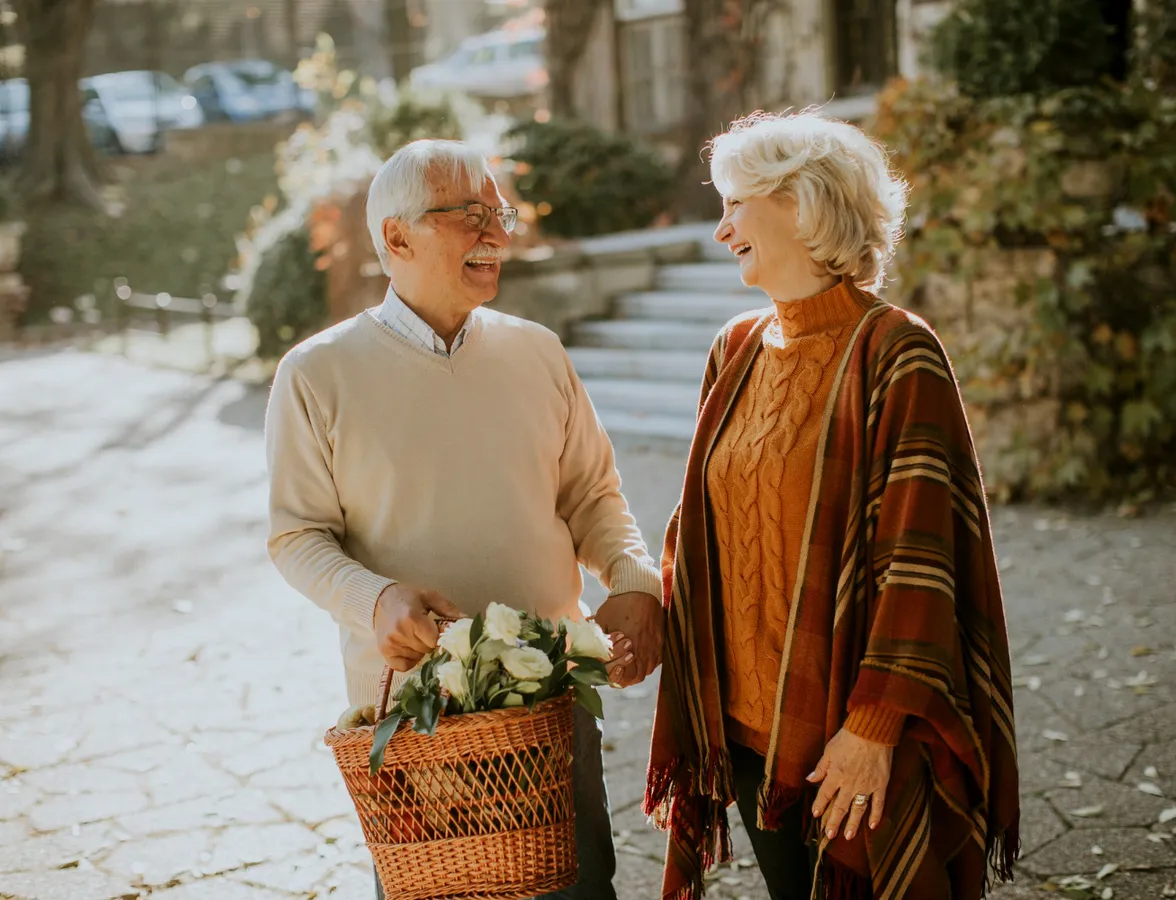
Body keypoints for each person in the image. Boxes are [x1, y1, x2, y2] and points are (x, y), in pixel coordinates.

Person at [264, 139, 665, 900]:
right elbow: (296, 536)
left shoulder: (539, 352)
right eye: (469, 215)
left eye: (500, 213)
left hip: (550, 706)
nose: (498, 234)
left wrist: (635, 578)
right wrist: (374, 600)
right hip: (418, 721)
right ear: (397, 238)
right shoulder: (315, 374)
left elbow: (594, 496)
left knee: (578, 889)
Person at [643, 110, 1021, 900]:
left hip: (849, 733)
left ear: (801, 202)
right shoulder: (735, 348)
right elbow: (701, 533)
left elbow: (922, 562)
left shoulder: (895, 351)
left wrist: (874, 728)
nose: (722, 231)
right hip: (745, 730)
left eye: (734, 205)